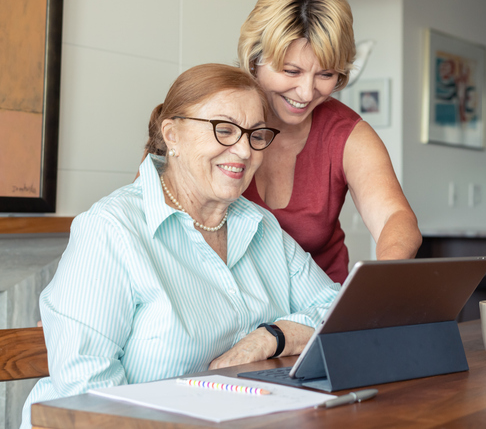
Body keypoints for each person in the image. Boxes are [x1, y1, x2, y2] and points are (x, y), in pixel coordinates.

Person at [20, 64, 340, 429]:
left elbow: (337, 311)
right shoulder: (111, 228)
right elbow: (87, 389)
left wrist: (274, 336)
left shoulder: (260, 225)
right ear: (172, 135)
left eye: (255, 135)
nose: (244, 150)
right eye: (224, 130)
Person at [238, 0, 422, 284]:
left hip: (319, 306)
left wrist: (378, 284)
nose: (307, 92)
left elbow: (396, 219)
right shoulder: (215, 116)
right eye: (291, 71)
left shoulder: (347, 134)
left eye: (325, 74)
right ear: (255, 59)